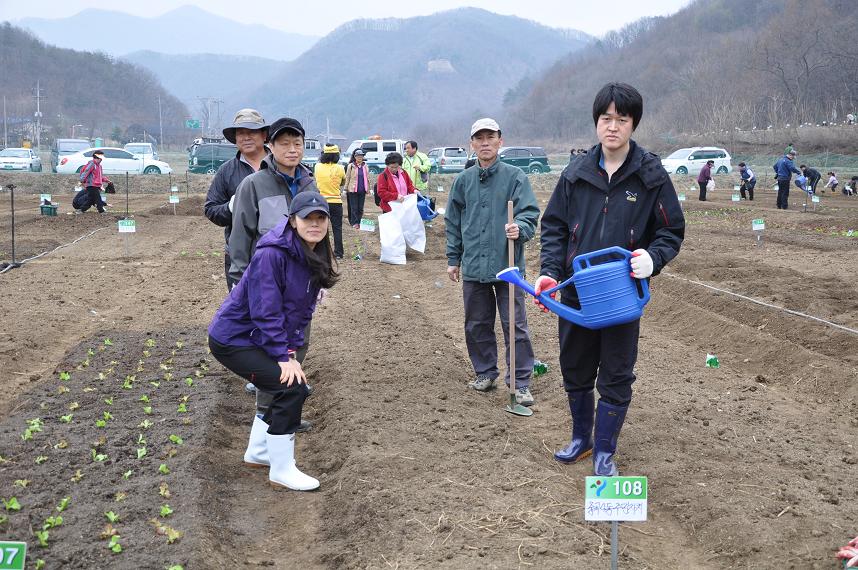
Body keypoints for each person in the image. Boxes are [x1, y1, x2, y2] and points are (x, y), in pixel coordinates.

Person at [537, 83, 685, 476]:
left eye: (622, 119)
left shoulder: (651, 175)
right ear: (596, 122)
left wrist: (652, 259)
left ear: (633, 123)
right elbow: (553, 227)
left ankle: (605, 449)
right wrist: (550, 272)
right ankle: (581, 439)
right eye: (606, 119)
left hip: (621, 295)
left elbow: (671, 231)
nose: (613, 127)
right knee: (575, 366)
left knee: (617, 372)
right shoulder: (576, 173)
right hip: (576, 291)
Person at [209, 191, 338, 491]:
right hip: (233, 339)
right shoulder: (272, 254)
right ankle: (281, 468)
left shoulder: (312, 251)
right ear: (293, 220)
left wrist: (289, 351)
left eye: (321, 219)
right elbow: (266, 311)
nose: (315, 224)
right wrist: (283, 356)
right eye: (308, 218)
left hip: (252, 337)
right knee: (292, 388)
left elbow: (298, 311)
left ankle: (258, 452)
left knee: (284, 386)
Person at [228, 117, 319, 435]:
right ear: (271, 146)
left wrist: (319, 277)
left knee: (299, 344)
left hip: (300, 282)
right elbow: (240, 236)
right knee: (271, 350)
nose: (292, 150)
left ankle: (287, 413)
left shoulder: (309, 182)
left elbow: (317, 233)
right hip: (266, 285)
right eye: (284, 143)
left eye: (297, 144)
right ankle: (266, 418)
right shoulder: (253, 185)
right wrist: (238, 280)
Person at [445, 118, 540, 406]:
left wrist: (519, 228)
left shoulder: (515, 177)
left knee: (515, 324)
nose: (485, 142)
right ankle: (485, 372)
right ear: (472, 144)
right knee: (476, 323)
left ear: (500, 140)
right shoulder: (463, 181)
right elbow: (453, 222)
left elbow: (529, 213)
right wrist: (453, 259)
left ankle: (520, 382)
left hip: (507, 264)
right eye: (479, 138)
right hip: (474, 263)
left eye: (491, 137)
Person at [204, 108, 270, 290]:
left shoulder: (279, 167)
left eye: (251, 132)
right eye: (241, 133)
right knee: (242, 311)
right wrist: (231, 207)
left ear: (264, 135)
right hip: (239, 257)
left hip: (277, 254)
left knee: (276, 309)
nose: (246, 137)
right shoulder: (227, 171)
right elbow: (210, 209)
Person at [314, 145, 346, 259]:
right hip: (336, 202)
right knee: (337, 228)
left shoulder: (317, 167)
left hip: (321, 202)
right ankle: (339, 253)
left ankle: (322, 252)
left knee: (322, 228)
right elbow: (343, 182)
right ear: (337, 155)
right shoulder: (341, 168)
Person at [344, 149, 371, 228]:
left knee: (360, 208)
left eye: (361, 156)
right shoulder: (351, 166)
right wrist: (345, 189)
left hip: (362, 190)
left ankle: (359, 222)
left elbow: (367, 178)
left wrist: (369, 188)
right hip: (352, 190)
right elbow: (347, 178)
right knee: (354, 207)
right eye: (358, 156)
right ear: (355, 157)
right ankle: (354, 222)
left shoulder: (365, 166)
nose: (360, 157)